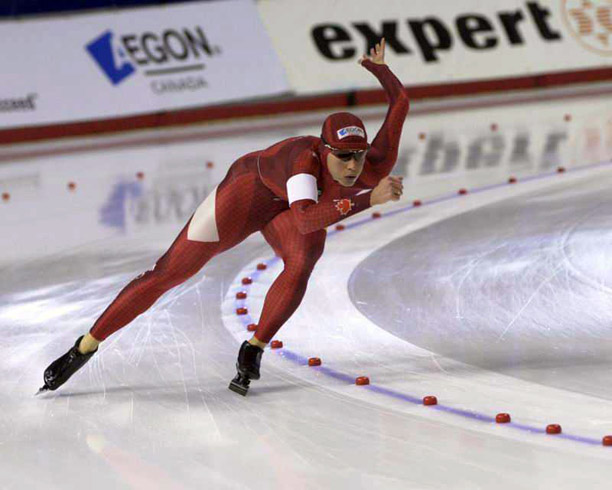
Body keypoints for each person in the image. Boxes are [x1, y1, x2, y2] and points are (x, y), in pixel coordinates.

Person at [39, 38, 409, 396]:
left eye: (358, 155)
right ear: (324, 149)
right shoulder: (303, 163)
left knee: (303, 261)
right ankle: (84, 348)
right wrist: (367, 201)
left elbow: (400, 102)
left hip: (292, 207)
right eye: (342, 156)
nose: (352, 165)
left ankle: (254, 348)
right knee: (170, 272)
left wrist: (381, 70)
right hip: (248, 194)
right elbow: (307, 220)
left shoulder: (372, 166)